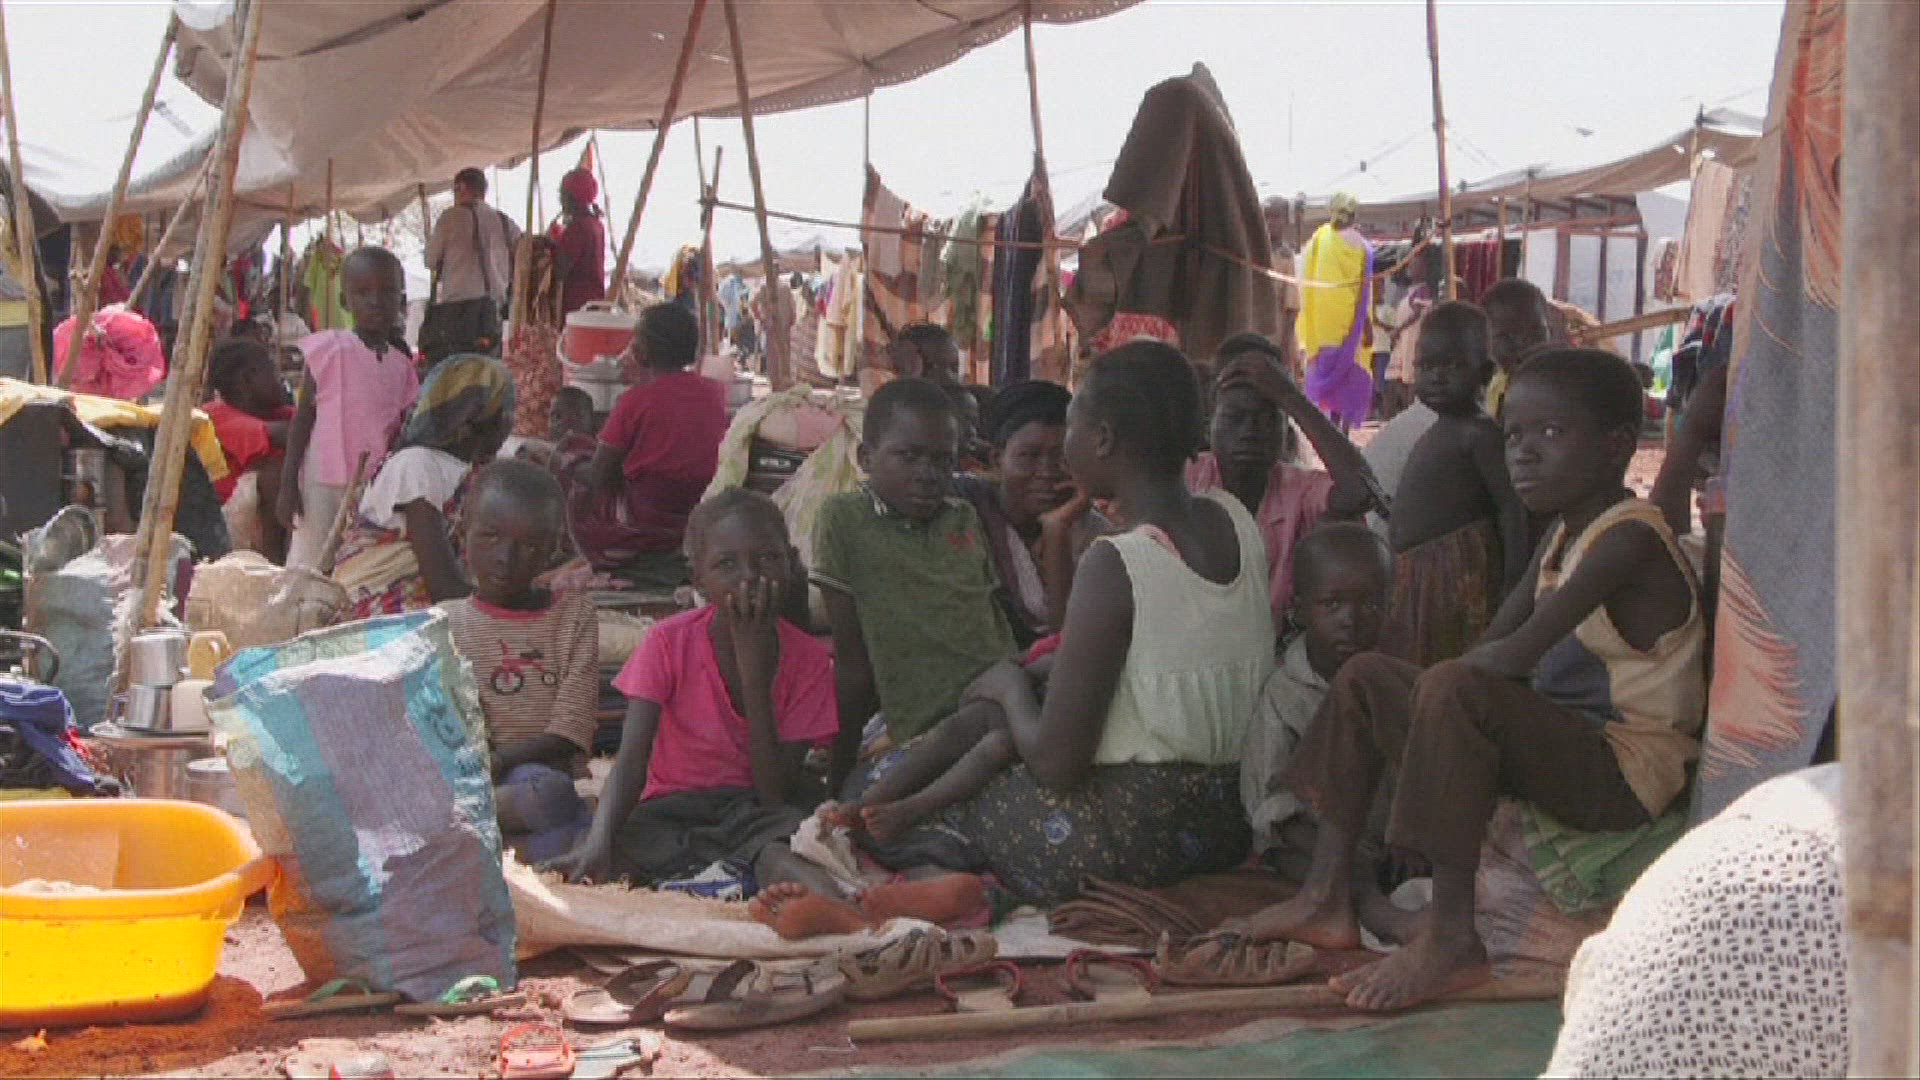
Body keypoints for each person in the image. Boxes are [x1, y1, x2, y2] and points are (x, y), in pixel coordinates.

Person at [1238, 347, 1706, 1012]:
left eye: (1551, 432)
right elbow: (1490, 646)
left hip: (1626, 773)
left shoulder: (1628, 540)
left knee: (1455, 689)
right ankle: (1325, 895)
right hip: (1571, 746)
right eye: (1513, 434)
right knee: (1366, 677)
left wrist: (1437, 703)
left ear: (1616, 446)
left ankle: (1451, 938)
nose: (1523, 453)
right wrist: (1418, 704)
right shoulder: (1562, 536)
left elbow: (1512, 658)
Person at [839, 343, 1275, 906]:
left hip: (1135, 837)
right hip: (1230, 820)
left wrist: (1008, 686)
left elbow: (1056, 764)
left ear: (1102, 440)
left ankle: (953, 886)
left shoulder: (1117, 562)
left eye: (1072, 424)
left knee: (906, 793)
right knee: (978, 740)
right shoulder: (1236, 519)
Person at [543, 490, 845, 910]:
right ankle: (724, 879)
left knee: (786, 849)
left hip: (753, 812)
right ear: (699, 580)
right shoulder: (668, 642)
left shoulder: (809, 660)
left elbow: (773, 793)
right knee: (612, 853)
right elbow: (630, 760)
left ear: (792, 566)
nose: (749, 577)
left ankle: (850, 919)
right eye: (726, 565)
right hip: (673, 809)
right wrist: (600, 841)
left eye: (768, 558)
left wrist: (754, 672)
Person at [811, 377, 1018, 794]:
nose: (927, 474)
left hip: (999, 695)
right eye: (908, 457)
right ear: (866, 458)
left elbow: (988, 618)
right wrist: (839, 769)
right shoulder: (845, 519)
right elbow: (852, 664)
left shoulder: (961, 517)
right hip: (926, 725)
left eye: (943, 461)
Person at [439, 460, 596, 863]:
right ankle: (492, 839)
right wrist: (480, 764)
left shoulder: (573, 616)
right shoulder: (445, 623)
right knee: (568, 826)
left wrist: (502, 761)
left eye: (528, 547)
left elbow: (570, 728)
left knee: (551, 794)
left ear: (552, 550)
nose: (505, 558)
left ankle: (462, 835)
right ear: (463, 531)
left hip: (536, 775)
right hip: (474, 777)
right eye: (491, 536)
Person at [1187, 332, 1381, 626]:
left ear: (1286, 428)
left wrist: (1291, 398)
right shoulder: (1186, 479)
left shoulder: (1299, 489)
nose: (1250, 431)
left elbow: (1361, 491)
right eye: (1235, 417)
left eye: (1267, 418)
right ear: (1208, 426)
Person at [1380, 302, 1530, 666]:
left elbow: (1510, 507)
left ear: (1485, 372)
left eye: (1452, 366)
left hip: (1453, 577)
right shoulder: (1440, 428)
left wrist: (1513, 584)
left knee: (1443, 666)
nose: (1436, 377)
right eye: (1426, 366)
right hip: (1418, 576)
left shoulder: (1479, 434)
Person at [1242, 522, 1393, 882]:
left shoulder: (1393, 683)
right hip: (1309, 842)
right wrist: (1341, 854)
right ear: (1299, 610)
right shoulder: (1285, 695)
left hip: (1386, 845)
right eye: (1332, 603)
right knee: (1313, 868)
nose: (1351, 620)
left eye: (1370, 604)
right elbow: (1268, 804)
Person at [331, 354, 515, 618]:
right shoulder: (417, 465)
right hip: (378, 606)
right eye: (507, 410)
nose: (511, 421)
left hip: (421, 599)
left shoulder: (467, 468)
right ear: (482, 419)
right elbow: (443, 586)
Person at [277, 247, 421, 570]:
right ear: (345, 301)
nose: (375, 301)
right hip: (322, 479)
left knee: (357, 560)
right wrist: (288, 484)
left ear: (401, 299)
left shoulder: (402, 366)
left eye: (387, 292)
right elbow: (303, 419)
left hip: (372, 485)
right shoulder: (330, 348)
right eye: (363, 293)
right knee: (310, 560)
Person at [571, 303, 727, 588]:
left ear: (643, 351)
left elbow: (599, 475)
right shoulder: (714, 392)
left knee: (571, 461)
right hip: (695, 513)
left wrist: (570, 468)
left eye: (637, 338)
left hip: (643, 523)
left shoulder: (635, 400)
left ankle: (607, 558)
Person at [950, 380, 1107, 644]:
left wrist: (1056, 528)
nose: (1047, 472)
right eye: (1029, 456)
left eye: (1061, 457)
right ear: (997, 459)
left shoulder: (1094, 534)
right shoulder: (966, 512)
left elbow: (1065, 638)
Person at [205, 337, 295, 563]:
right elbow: (287, 435)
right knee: (275, 472)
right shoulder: (216, 415)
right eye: (272, 371)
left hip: (261, 518)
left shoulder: (274, 412)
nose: (280, 379)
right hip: (228, 526)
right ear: (247, 379)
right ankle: (275, 563)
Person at [1297, 192, 1375, 431]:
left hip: (1324, 327)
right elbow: (1365, 291)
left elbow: (1305, 279)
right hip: (1351, 324)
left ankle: (1329, 430)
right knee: (1349, 376)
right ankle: (1343, 431)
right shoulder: (1363, 246)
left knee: (1330, 380)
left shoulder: (1319, 239)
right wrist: (1367, 323)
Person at [424, 167, 520, 309]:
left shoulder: (450, 217)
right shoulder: (504, 221)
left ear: (461, 187)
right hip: (496, 306)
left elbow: (430, 260)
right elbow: (522, 253)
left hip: (459, 305)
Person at [1480, 278, 1556, 420]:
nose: (1523, 344)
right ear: (1487, 341)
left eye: (1535, 332)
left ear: (1551, 329)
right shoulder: (1494, 387)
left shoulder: (1563, 388)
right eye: (1505, 337)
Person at [549, 169, 606, 317]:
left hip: (578, 306)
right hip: (593, 301)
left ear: (572, 197)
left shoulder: (578, 228)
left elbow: (560, 269)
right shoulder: (596, 224)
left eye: (562, 194)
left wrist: (551, 245)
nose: (560, 200)